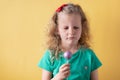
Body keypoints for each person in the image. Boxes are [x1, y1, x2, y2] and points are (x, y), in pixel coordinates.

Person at [38, 3, 102, 80]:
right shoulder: (50, 56)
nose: (71, 32)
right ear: (57, 30)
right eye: (65, 28)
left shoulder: (89, 55)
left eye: (76, 27)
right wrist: (58, 77)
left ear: (82, 28)